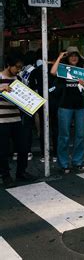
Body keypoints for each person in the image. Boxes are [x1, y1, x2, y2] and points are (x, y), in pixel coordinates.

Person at [50, 46, 84, 174]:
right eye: (71, 55)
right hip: (65, 106)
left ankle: (77, 161)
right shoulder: (63, 69)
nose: (74, 57)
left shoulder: (82, 69)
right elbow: (52, 72)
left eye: (76, 55)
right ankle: (63, 163)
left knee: (80, 135)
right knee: (64, 135)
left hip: (80, 106)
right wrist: (60, 57)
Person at [0, 52, 36, 188]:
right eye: (17, 67)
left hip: (15, 118)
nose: (19, 70)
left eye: (21, 67)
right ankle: (6, 175)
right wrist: (1, 89)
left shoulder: (18, 79)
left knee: (23, 147)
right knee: (3, 150)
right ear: (8, 65)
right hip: (1, 120)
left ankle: (21, 172)